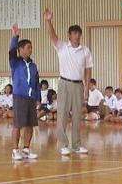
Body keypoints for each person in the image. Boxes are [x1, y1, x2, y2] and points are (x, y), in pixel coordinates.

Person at [43, 8, 93, 155]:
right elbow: (52, 36)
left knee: (77, 115)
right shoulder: (63, 47)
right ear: (69, 36)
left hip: (79, 84)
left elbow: (88, 70)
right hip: (64, 83)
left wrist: (86, 88)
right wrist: (48, 21)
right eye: (74, 33)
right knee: (63, 115)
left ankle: (76, 145)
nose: (77, 36)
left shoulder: (85, 51)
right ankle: (63, 145)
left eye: (79, 33)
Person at [9, 24, 40, 161]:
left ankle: (26, 149)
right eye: (28, 47)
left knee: (30, 124)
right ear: (21, 49)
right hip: (19, 97)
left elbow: (36, 83)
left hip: (31, 98)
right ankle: (15, 150)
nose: (30, 49)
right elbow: (11, 50)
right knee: (18, 124)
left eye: (31, 47)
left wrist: (38, 98)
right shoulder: (15, 63)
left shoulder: (33, 66)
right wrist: (15, 36)